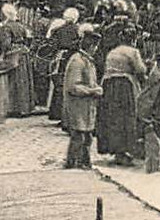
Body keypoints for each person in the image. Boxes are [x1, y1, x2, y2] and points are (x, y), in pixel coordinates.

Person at [96, 31, 147, 165]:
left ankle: (116, 150)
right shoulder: (132, 51)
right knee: (126, 118)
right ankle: (125, 151)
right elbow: (140, 69)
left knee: (112, 118)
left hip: (108, 85)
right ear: (133, 39)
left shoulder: (112, 52)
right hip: (124, 86)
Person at [62, 30, 105, 170]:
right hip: (78, 105)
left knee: (87, 137)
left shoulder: (87, 60)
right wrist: (93, 91)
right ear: (91, 46)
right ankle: (73, 165)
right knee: (79, 136)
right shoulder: (77, 61)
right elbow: (73, 86)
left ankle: (84, 163)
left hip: (87, 105)